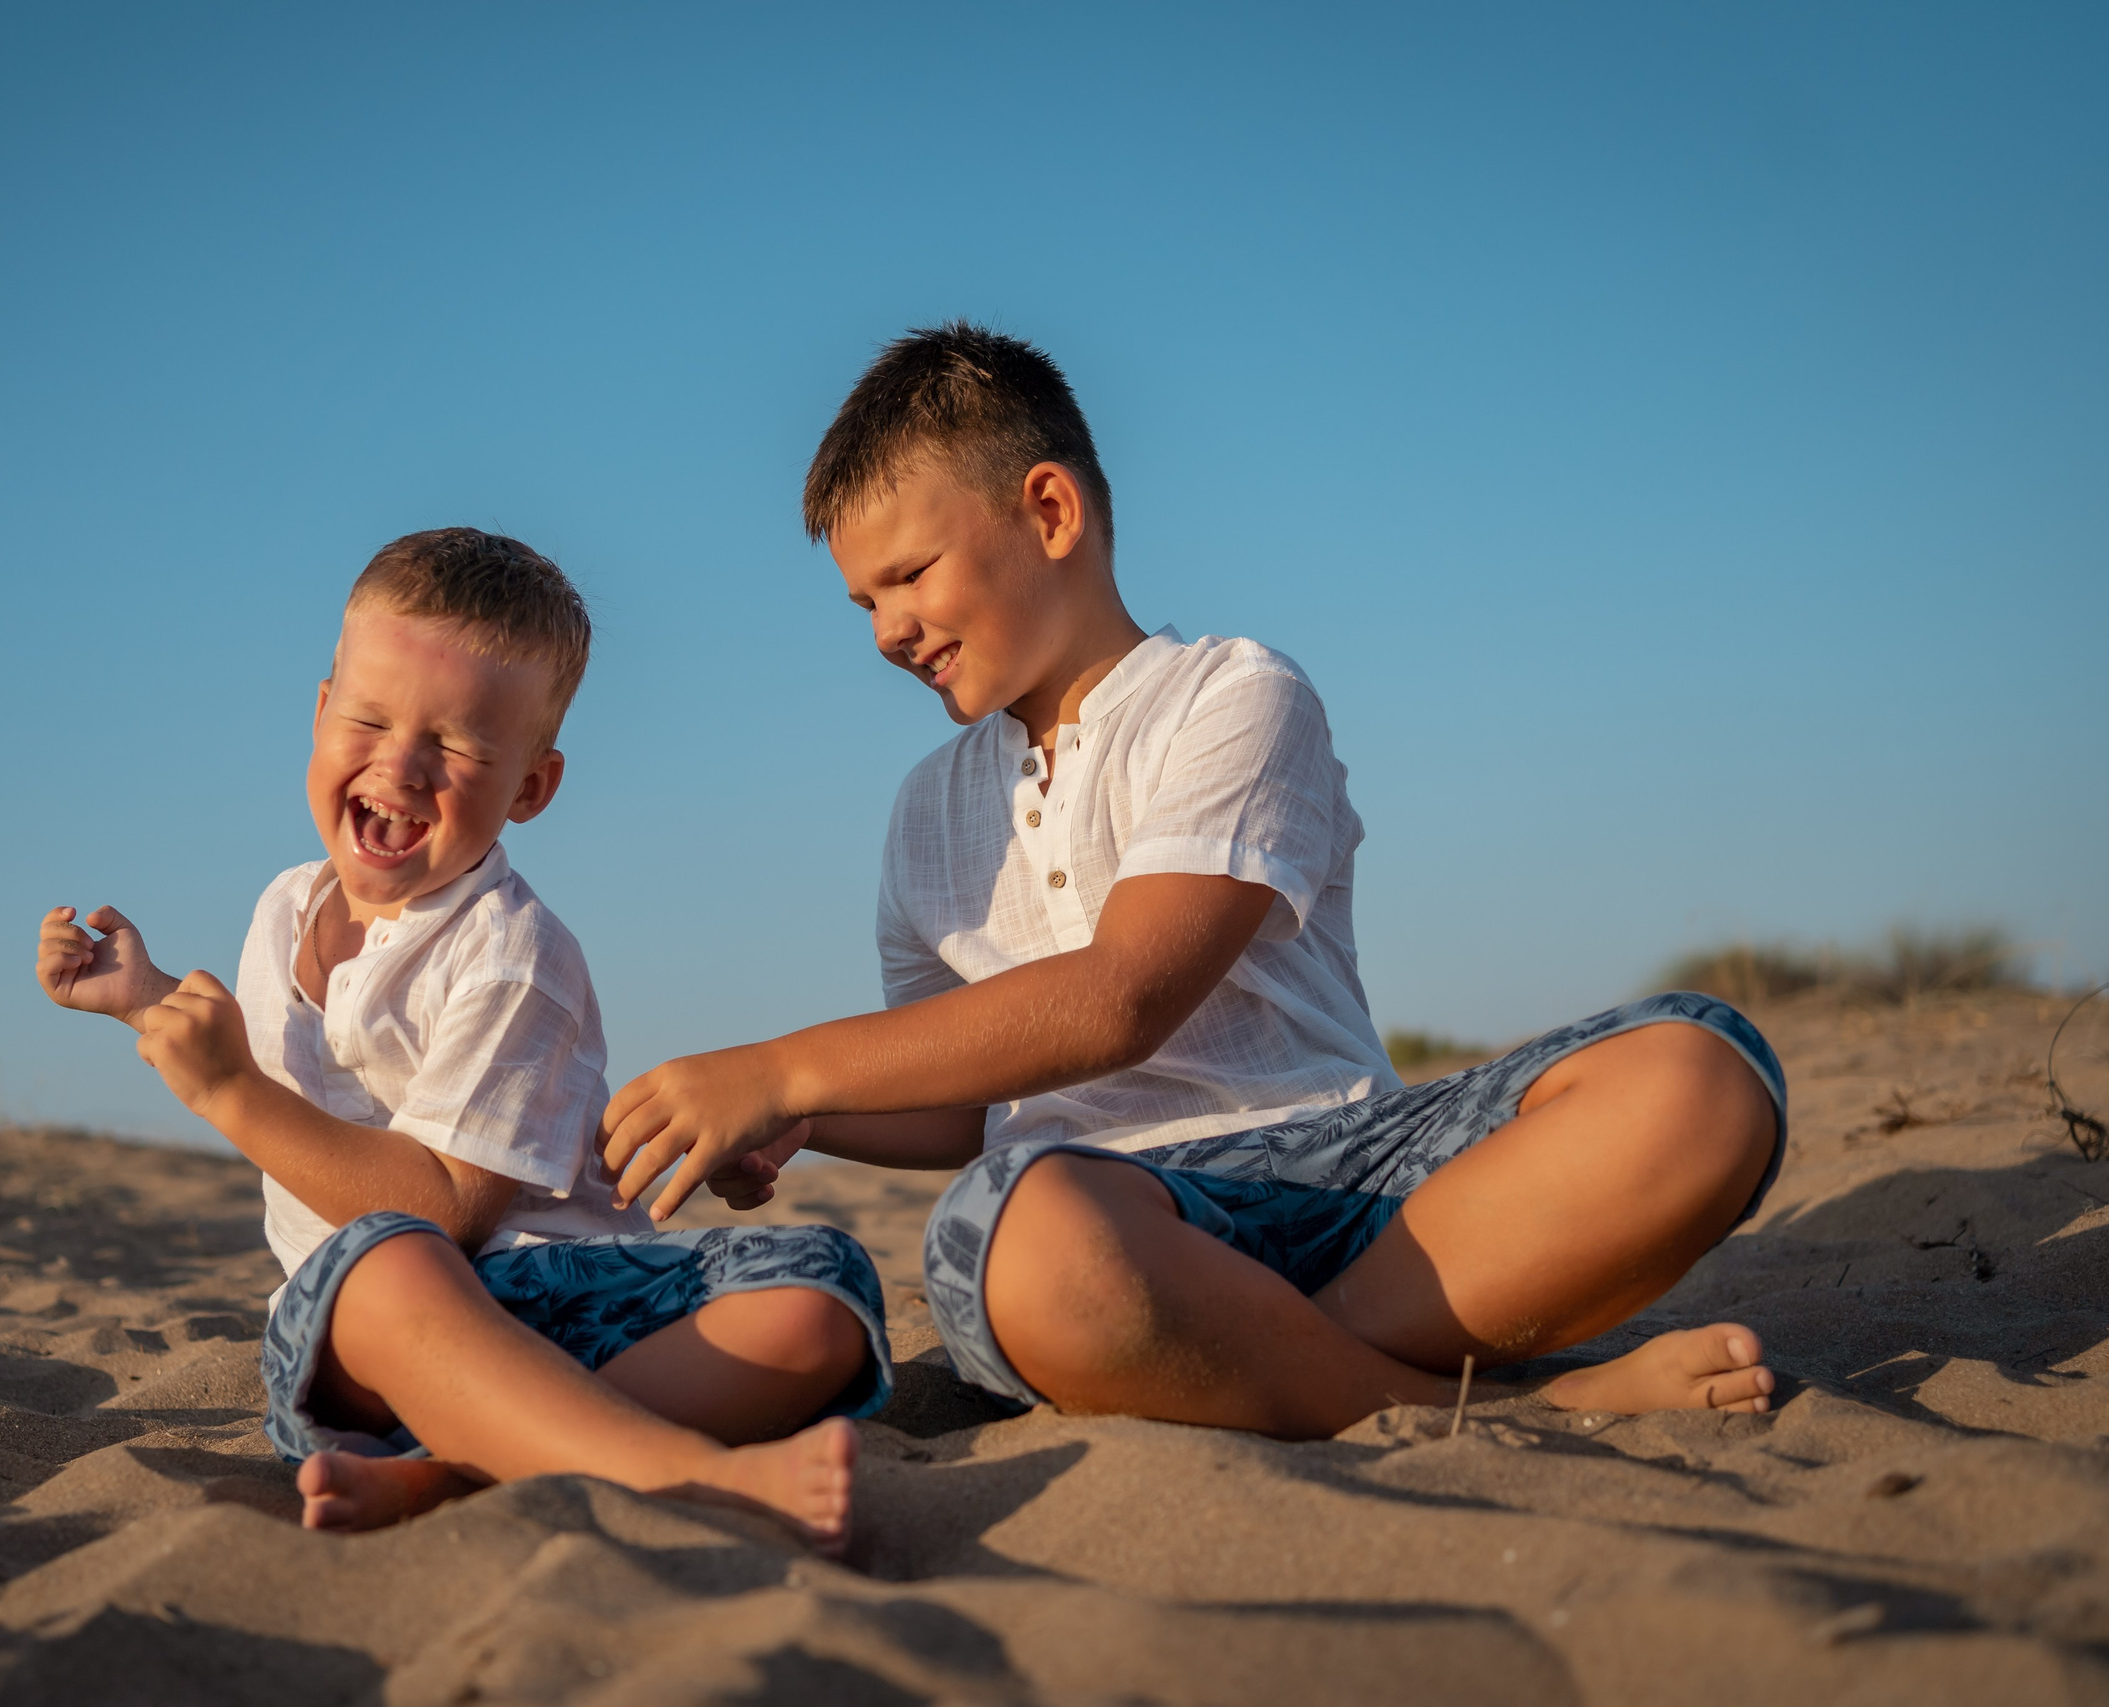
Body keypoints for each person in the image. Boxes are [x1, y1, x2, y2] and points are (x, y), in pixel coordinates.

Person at [598, 325, 1785, 1440]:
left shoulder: (1232, 693)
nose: (885, 631)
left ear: (1050, 511)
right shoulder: (924, 813)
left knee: (1700, 1075)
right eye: (864, 602)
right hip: (1111, 1215)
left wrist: (781, 1068)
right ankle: (1488, 1406)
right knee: (1012, 1235)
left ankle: (1263, 1357)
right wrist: (806, 1119)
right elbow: (968, 1105)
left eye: (909, 575)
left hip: (1354, 1184)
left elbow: (1122, 998)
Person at [36, 528, 886, 1552]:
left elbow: (448, 1201)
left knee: (821, 1291)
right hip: (371, 1332)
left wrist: (228, 1096)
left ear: (530, 788)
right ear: (320, 712)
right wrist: (145, 999)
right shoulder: (282, 907)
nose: (401, 763)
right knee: (390, 1259)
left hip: (560, 1298)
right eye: (368, 718)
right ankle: (683, 1472)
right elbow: (279, 1090)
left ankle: (454, 1474)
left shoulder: (513, 950)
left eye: (457, 745)